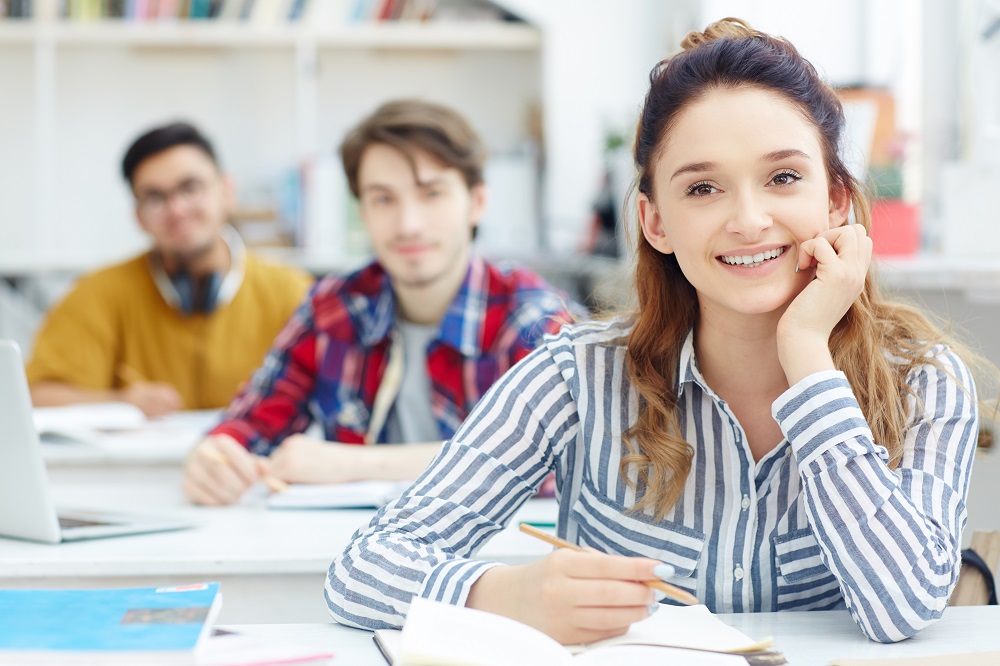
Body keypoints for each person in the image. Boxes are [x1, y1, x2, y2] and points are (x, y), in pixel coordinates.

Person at [325, 19, 982, 645]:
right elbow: (362, 569)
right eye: (702, 189)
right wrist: (505, 595)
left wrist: (807, 353)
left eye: (783, 177)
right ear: (655, 221)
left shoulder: (923, 380)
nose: (749, 220)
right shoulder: (577, 375)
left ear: (836, 200)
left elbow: (904, 607)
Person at [182, 100, 584, 506]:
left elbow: (570, 466)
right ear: (363, 211)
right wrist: (214, 459)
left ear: (476, 202)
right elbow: (245, 427)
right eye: (383, 199)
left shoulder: (534, 319)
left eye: (431, 194)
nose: (408, 223)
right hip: (359, 557)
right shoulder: (334, 308)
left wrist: (355, 464)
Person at [27, 122, 313, 417]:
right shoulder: (97, 293)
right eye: (155, 198)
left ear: (227, 191)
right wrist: (120, 401)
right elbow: (37, 396)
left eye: (190, 187)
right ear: (139, 217)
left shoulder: (293, 293)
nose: (176, 209)